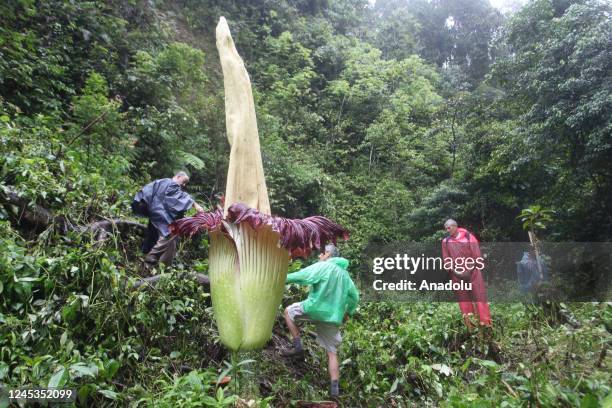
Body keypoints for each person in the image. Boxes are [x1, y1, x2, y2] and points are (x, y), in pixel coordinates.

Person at [281, 244, 359, 398]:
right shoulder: (345, 275)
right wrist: (347, 313)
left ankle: (297, 346)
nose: (319, 256)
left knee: (288, 312)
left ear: (328, 254)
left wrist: (280, 278)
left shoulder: (323, 267)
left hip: (314, 309)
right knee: (332, 351)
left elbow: (302, 276)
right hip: (333, 318)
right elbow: (355, 297)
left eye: (321, 254)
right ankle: (334, 391)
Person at [131, 171, 204, 268]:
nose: (184, 184)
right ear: (178, 177)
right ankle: (151, 256)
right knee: (170, 233)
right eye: (183, 181)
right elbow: (180, 197)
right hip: (160, 214)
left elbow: (148, 190)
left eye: (186, 183)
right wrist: (195, 204)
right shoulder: (171, 183)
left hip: (155, 213)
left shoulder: (162, 181)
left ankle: (165, 266)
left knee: (171, 239)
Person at [441, 219, 492, 330]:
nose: (447, 230)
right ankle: (470, 326)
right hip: (457, 273)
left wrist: (470, 269)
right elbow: (446, 259)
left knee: (479, 296)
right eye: (445, 228)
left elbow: (477, 254)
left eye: (448, 227)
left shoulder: (468, 237)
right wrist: (455, 271)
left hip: (473, 271)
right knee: (464, 300)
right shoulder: (446, 242)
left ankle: (486, 323)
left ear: (455, 226)